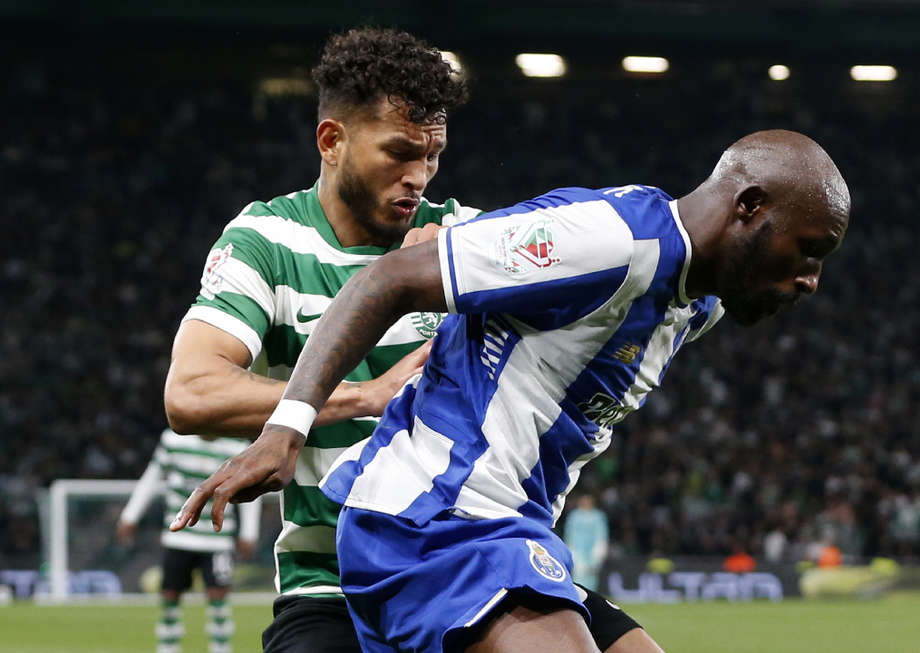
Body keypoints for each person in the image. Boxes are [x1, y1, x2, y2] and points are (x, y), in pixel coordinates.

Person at [173, 128, 850, 653]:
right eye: (809, 249)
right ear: (750, 208)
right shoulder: (613, 239)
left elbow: (500, 260)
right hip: (431, 523)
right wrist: (286, 427)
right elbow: (382, 279)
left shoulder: (698, 301)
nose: (811, 279)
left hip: (509, 533)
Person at [163, 27, 660, 653]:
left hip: (472, 558)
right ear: (332, 141)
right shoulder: (266, 244)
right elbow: (191, 392)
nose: (419, 176)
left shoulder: (461, 239)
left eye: (432, 156)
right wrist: (363, 396)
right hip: (332, 589)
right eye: (399, 153)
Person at [117, 429, 262, 653]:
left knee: (218, 599)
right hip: (178, 536)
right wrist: (130, 515)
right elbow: (151, 478)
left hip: (217, 539)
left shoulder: (237, 447)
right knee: (169, 598)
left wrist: (249, 533)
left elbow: (249, 489)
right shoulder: (173, 440)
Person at [564, 495, 610, 591]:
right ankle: (579, 595)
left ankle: (590, 595)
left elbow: (601, 533)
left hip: (592, 549)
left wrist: (601, 548)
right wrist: (569, 548)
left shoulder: (598, 516)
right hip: (578, 549)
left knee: (592, 573)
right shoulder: (574, 516)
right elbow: (570, 532)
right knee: (579, 572)